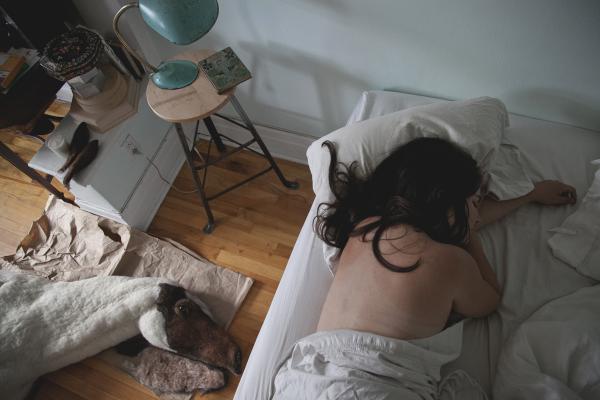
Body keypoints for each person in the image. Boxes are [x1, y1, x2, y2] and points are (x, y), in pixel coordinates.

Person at [315, 137, 577, 341]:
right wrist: (471, 239)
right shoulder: (451, 261)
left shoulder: (364, 227)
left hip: (308, 372)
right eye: (475, 203)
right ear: (445, 203)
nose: (478, 215)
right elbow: (489, 300)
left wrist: (531, 195)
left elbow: (463, 219)